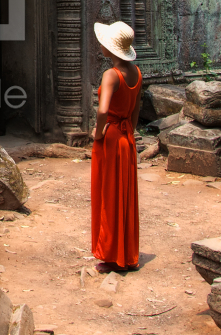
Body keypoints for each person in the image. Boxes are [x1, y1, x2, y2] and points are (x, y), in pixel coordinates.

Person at [90, 20, 142, 273]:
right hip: (126, 138)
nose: (101, 45)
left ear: (110, 49)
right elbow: (136, 110)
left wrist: (98, 133)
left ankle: (111, 255)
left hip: (110, 137)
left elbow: (102, 110)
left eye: (104, 42)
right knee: (125, 194)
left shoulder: (111, 75)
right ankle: (127, 254)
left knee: (109, 194)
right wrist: (129, 132)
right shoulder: (136, 73)